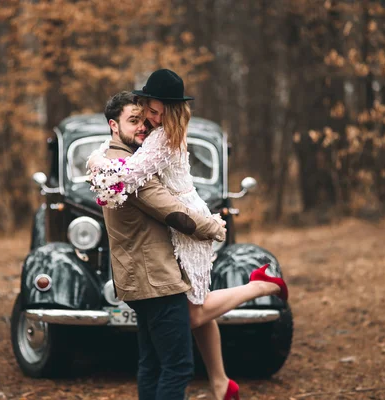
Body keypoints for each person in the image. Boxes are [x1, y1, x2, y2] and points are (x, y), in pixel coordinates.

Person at [88, 70, 289, 400]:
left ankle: (260, 286)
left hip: (187, 225)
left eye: (154, 112)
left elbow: (131, 175)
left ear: (171, 109)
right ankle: (222, 381)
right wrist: (101, 159)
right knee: (191, 316)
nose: (149, 120)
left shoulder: (163, 137)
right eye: (145, 113)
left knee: (192, 314)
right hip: (171, 238)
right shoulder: (148, 139)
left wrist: (98, 164)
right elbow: (127, 171)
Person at [99, 91, 228, 400]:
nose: (143, 127)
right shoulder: (129, 169)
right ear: (113, 126)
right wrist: (215, 226)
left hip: (140, 278)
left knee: (153, 363)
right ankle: (263, 287)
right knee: (178, 367)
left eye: (144, 120)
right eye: (134, 121)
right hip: (157, 280)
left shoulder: (107, 159)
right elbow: (174, 213)